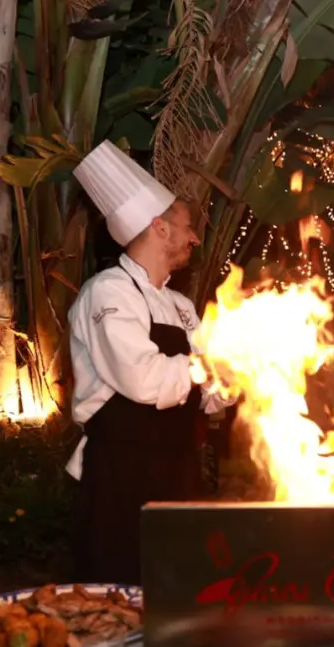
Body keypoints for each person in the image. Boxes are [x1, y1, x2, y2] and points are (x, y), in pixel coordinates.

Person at [65, 141, 236, 584]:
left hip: (179, 469)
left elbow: (211, 396)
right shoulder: (107, 292)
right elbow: (142, 379)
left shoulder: (181, 306)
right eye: (187, 227)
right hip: (121, 472)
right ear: (159, 228)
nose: (195, 238)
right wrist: (208, 365)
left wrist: (240, 369)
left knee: (181, 591)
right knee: (119, 591)